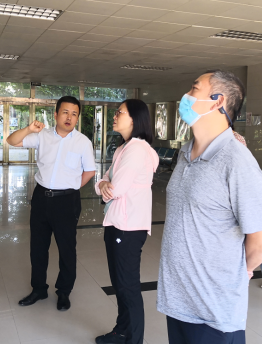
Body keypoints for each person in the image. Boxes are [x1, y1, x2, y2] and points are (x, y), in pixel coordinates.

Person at [157, 70, 262, 345]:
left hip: (213, 311)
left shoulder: (237, 161)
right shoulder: (185, 153)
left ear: (217, 101)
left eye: (194, 89)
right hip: (177, 301)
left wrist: (233, 273)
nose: (186, 96)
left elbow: (261, 240)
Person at [6, 96, 96, 312]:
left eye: (74, 114)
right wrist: (29, 129)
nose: (69, 117)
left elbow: (90, 170)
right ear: (56, 115)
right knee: (38, 248)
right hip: (41, 198)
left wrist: (71, 187)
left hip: (67, 201)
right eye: (65, 112)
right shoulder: (42, 136)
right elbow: (12, 141)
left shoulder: (83, 142)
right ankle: (39, 289)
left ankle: (64, 291)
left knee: (67, 249)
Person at [94, 100, 159, 345]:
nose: (115, 116)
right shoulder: (124, 147)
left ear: (134, 119)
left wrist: (105, 186)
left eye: (119, 112)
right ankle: (121, 331)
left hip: (128, 226)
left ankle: (134, 339)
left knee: (128, 286)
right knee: (120, 284)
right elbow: (105, 179)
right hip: (117, 222)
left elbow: (116, 188)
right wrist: (103, 184)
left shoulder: (137, 149)